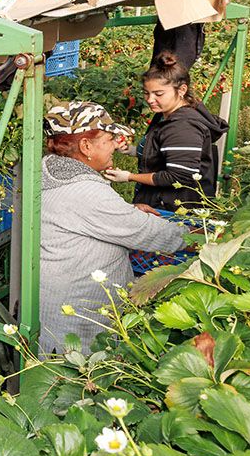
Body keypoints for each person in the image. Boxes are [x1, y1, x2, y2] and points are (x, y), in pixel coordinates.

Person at [41, 101, 187, 354]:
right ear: (86, 146)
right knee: (85, 377)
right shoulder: (86, 192)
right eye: (109, 139)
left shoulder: (48, 171)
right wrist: (207, 237)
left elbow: (84, 218)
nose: (114, 147)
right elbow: (152, 233)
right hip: (79, 318)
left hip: (55, 301)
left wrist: (126, 212)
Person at [104, 53, 228, 211]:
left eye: (158, 94)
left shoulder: (183, 127)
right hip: (162, 203)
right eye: (146, 93)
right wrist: (133, 151)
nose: (150, 99)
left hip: (173, 208)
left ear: (182, 89)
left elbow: (179, 176)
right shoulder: (167, 116)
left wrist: (129, 177)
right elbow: (168, 151)